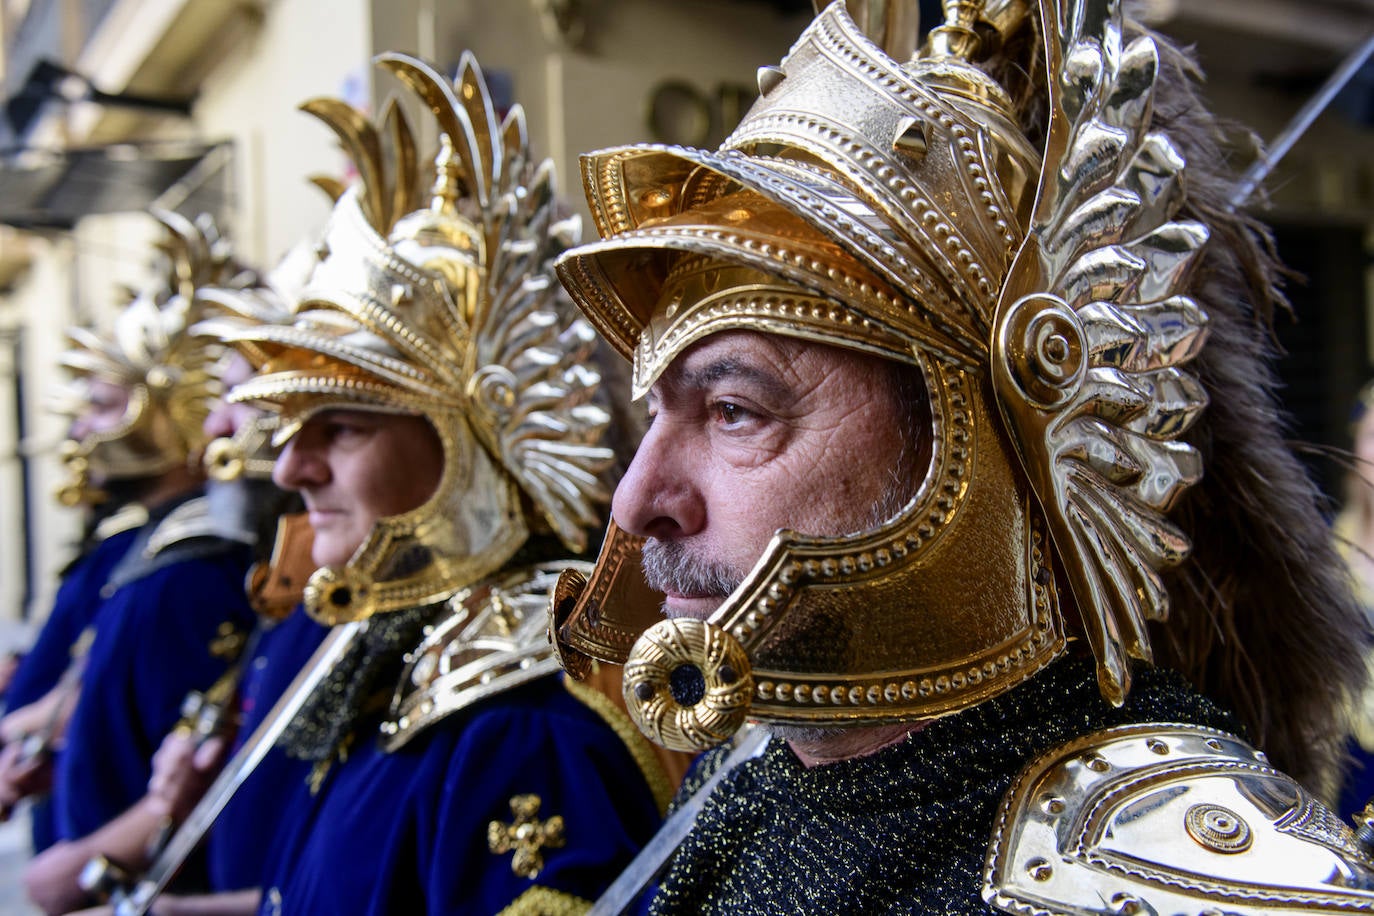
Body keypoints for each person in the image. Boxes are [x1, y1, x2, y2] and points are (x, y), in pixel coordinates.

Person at [548, 0, 1374, 911]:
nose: (636, 501)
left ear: (965, 443)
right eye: (657, 414)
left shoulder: (1163, 878)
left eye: (734, 412)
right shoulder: (744, 788)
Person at [122, 50, 682, 916]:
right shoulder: (400, 657)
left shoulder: (523, 724)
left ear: (479, 431)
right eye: (292, 432)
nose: (291, 469)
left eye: (342, 428)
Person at [17, 212, 263, 915]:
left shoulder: (189, 578)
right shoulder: (159, 553)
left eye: (103, 405)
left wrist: (91, 867)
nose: (81, 428)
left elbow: (203, 786)